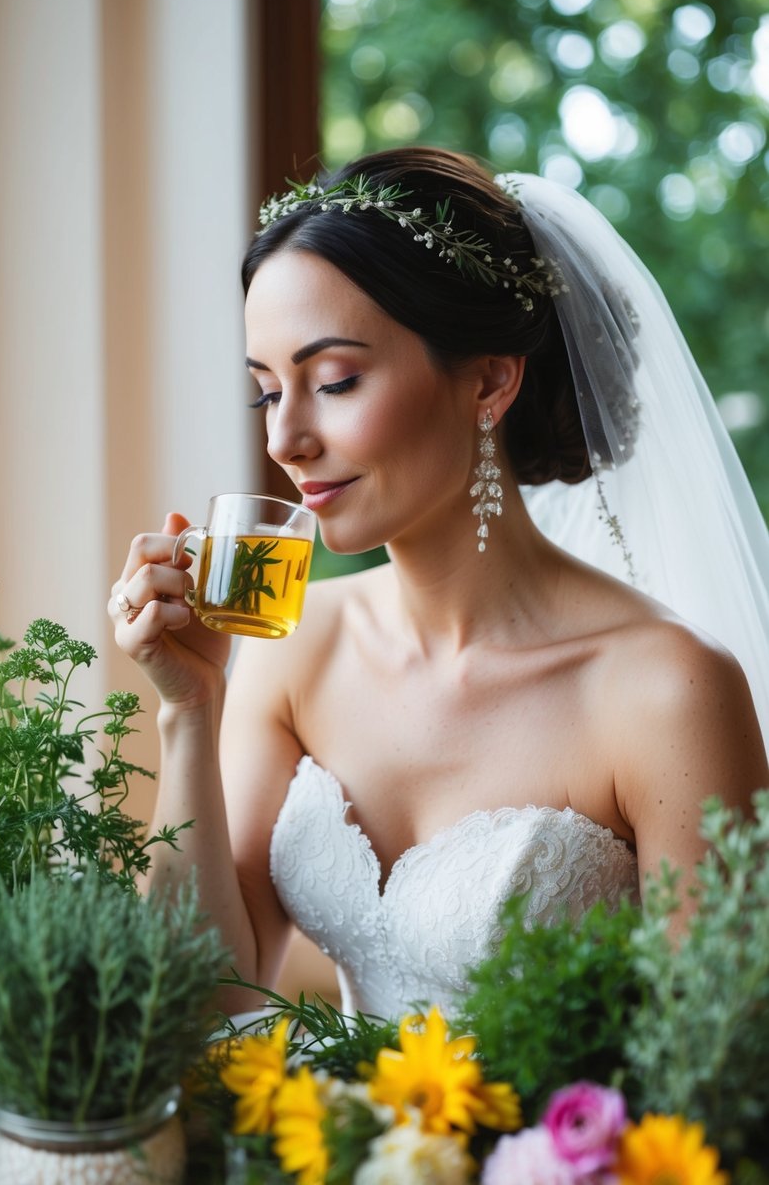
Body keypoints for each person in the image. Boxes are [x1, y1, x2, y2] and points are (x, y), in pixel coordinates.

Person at [110, 147, 769, 1020]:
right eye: (267, 393)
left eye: (334, 381)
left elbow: (717, 1078)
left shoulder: (666, 689)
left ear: (490, 380)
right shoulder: (295, 652)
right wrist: (189, 712)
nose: (285, 438)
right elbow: (192, 1009)